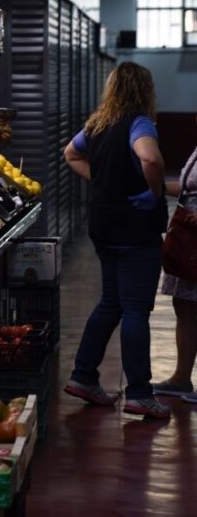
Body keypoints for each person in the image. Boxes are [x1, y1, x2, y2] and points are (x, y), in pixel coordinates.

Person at [62, 62, 170, 419]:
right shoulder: (140, 123)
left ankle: (83, 376)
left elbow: (70, 153)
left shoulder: (97, 124)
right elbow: (150, 158)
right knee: (136, 310)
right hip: (134, 229)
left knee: (111, 303)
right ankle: (139, 393)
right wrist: (154, 192)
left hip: (103, 226)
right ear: (145, 90)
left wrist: (103, 180)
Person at [153, 135, 197, 402]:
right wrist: (152, 185)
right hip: (189, 239)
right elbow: (186, 188)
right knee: (185, 307)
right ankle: (181, 378)